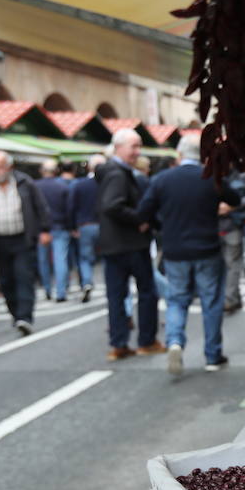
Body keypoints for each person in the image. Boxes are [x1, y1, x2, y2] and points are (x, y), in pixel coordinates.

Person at [136, 134, 243, 374]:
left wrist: (161, 225)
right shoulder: (210, 177)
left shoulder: (162, 179)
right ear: (203, 156)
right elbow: (235, 198)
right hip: (207, 248)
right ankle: (213, 356)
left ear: (179, 154)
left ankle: (174, 341)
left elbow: (143, 211)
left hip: (175, 250)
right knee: (212, 301)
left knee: (177, 299)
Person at [96, 129, 162, 361]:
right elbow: (112, 205)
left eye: (138, 146)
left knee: (117, 295)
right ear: (118, 147)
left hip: (113, 243)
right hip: (130, 242)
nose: (137, 152)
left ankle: (120, 343)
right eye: (133, 147)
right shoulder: (117, 173)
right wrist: (140, 220)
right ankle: (145, 340)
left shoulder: (111, 171)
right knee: (146, 293)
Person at [0, 151, 51, 336]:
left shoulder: (25, 182)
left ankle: (25, 317)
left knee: (24, 277)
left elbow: (41, 207)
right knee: (6, 281)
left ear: (9, 167)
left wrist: (45, 229)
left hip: (22, 238)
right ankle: (16, 315)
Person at [218, 169, 245, 312]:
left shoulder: (240, 177)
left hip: (231, 226)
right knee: (230, 265)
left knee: (231, 264)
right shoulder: (213, 176)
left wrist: (231, 207)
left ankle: (230, 298)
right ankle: (232, 298)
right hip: (220, 227)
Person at [34, 160, 73, 303]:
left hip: (41, 229)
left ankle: (47, 289)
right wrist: (71, 227)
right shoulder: (62, 187)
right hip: (60, 227)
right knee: (60, 260)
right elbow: (69, 210)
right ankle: (61, 292)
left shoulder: (35, 186)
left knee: (43, 260)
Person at [70, 155, 105, 303]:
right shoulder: (106, 184)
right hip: (105, 226)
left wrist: (73, 226)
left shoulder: (80, 184)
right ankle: (109, 284)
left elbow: (72, 206)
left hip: (85, 226)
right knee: (108, 257)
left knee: (85, 258)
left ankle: (87, 282)